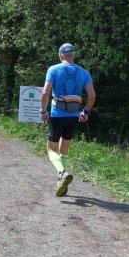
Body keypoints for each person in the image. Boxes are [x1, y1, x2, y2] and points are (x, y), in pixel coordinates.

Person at [40, 43, 96, 197]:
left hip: (57, 115)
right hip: (74, 116)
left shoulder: (53, 69)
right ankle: (61, 182)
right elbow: (92, 96)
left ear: (60, 55)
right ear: (73, 55)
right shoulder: (83, 72)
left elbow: (45, 92)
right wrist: (85, 112)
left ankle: (62, 172)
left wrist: (43, 111)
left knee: (51, 149)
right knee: (64, 149)